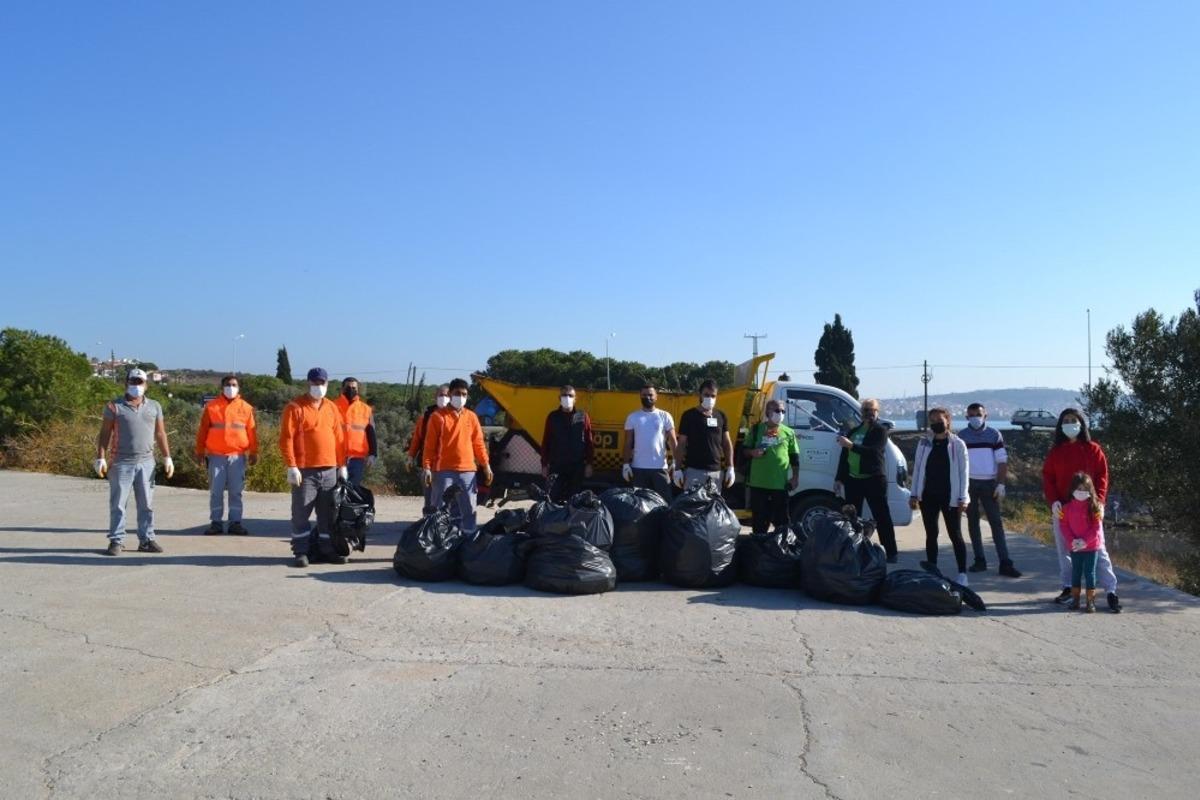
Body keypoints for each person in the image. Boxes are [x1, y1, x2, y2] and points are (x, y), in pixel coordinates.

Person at [1042, 408, 1121, 612]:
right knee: (1065, 549)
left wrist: (1100, 502)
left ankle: (1111, 591)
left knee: (1099, 549)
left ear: (1081, 423)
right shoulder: (1056, 452)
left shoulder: (1093, 449)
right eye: (1066, 420)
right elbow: (1048, 478)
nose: (1070, 423)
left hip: (1090, 508)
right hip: (1063, 510)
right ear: (1060, 425)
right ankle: (1069, 587)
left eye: (1073, 420)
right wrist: (1053, 502)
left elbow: (1102, 476)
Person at [94, 368, 173, 555]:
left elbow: (160, 433)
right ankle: (116, 540)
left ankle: (146, 540)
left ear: (146, 384)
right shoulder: (114, 406)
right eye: (133, 382)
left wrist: (167, 457)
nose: (136, 385)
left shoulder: (154, 406)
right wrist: (100, 457)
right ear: (126, 383)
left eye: (140, 382)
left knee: (146, 504)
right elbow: (105, 433)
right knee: (119, 504)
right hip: (121, 462)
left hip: (147, 462)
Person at [279, 368, 348, 568]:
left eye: (322, 383)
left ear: (327, 384)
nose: (319, 387)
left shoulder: (332, 408)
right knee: (301, 513)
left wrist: (342, 464)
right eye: (315, 383)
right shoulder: (295, 407)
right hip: (305, 470)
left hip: (329, 469)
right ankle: (301, 551)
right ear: (308, 384)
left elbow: (339, 438)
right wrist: (291, 465)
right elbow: (286, 439)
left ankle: (327, 550)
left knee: (327, 514)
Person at [422, 378, 492, 536]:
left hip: (468, 471)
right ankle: (437, 541)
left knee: (469, 509)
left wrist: (485, 465)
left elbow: (478, 444)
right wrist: (427, 467)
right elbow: (429, 446)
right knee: (439, 509)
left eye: (464, 394)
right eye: (457, 393)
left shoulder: (471, 417)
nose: (461, 397)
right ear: (450, 394)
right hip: (443, 471)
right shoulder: (438, 417)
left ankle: (468, 540)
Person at [910, 407, 971, 585]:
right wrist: (914, 494)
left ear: (948, 421)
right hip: (928, 495)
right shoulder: (924, 443)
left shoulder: (958, 444)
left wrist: (963, 498)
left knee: (955, 534)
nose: (936, 423)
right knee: (931, 534)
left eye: (940, 420)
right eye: (933, 420)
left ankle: (962, 573)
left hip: (951, 497)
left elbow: (963, 472)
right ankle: (933, 570)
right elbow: (918, 469)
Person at [960, 402, 1021, 577]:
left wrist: (1001, 484)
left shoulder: (994, 435)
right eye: (971, 415)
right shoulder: (962, 436)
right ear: (966, 418)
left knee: (996, 523)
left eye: (978, 414)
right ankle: (979, 560)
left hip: (989, 484)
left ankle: (1005, 562)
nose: (975, 418)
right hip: (969, 484)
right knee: (972, 523)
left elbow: (1002, 461)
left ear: (985, 416)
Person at [835, 398, 899, 562]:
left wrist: (851, 446)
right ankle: (853, 549)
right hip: (853, 480)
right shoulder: (854, 431)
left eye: (873, 410)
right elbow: (844, 456)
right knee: (851, 517)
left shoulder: (880, 431)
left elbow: (874, 451)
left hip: (874, 479)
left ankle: (891, 552)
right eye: (866, 410)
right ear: (860, 413)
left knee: (882, 516)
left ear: (877, 413)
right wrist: (839, 479)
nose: (869, 414)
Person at [195, 374, 258, 535]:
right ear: (222, 388)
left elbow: (252, 432)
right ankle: (216, 522)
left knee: (236, 492)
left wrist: (254, 452)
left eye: (234, 385)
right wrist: (200, 451)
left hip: (237, 456)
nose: (231, 387)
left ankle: (235, 522)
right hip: (216, 456)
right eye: (228, 385)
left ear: (238, 388)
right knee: (216, 491)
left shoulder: (246, 407)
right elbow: (203, 431)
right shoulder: (212, 407)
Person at [742, 399, 800, 534]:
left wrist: (795, 478)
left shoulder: (789, 432)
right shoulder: (756, 429)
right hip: (758, 484)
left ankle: (781, 552)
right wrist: (752, 452)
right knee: (759, 524)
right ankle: (758, 551)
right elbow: (744, 450)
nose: (780, 414)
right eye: (777, 410)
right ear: (768, 412)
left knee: (782, 524)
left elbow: (794, 457)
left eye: (783, 411)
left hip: (780, 485)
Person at [674, 379, 736, 492]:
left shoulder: (721, 416)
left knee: (713, 508)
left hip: (716, 472)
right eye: (706, 395)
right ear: (700, 395)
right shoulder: (689, 415)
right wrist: (677, 469)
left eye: (713, 396)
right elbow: (681, 444)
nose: (710, 398)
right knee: (692, 507)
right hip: (694, 471)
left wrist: (730, 467)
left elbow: (727, 443)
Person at [621, 384, 677, 499]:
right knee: (639, 505)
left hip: (660, 469)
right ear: (640, 396)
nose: (648, 398)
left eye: (651, 395)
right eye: (644, 395)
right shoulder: (633, 417)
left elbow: (673, 441)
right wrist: (626, 465)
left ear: (656, 396)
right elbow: (627, 442)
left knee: (665, 503)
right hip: (638, 469)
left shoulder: (665, 416)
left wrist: (677, 462)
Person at [540, 384, 594, 502]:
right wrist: (544, 465)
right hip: (557, 465)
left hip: (577, 466)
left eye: (570, 395)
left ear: (575, 399)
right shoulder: (552, 417)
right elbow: (546, 441)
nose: (567, 398)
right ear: (559, 398)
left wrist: (589, 464)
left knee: (574, 500)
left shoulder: (583, 416)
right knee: (552, 498)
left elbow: (589, 441)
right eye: (564, 395)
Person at [1059, 472, 1104, 612]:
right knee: (1076, 572)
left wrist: (1085, 541)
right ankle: (1076, 599)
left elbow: (1096, 527)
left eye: (1085, 489)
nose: (1081, 492)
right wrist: (1073, 541)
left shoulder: (1094, 508)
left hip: (1091, 547)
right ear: (1073, 489)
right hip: (1075, 547)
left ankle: (1090, 601)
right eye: (1079, 489)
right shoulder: (1066, 509)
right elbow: (1063, 526)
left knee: (1090, 573)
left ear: (1090, 490)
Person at [407, 384, 450, 514]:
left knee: (448, 498)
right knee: (429, 497)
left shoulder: (456, 415)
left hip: (449, 464)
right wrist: (410, 456)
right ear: (435, 396)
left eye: (447, 395)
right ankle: (428, 525)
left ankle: (445, 524)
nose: (444, 398)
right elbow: (417, 438)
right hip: (429, 464)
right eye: (441, 395)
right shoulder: (426, 417)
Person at [335, 377, 377, 487]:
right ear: (342, 389)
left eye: (354, 387)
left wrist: (373, 454)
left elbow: (371, 433)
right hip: (336, 457)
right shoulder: (332, 407)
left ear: (358, 390)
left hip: (357, 458)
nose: (351, 389)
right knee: (334, 492)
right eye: (348, 387)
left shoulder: (365, 409)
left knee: (353, 491)